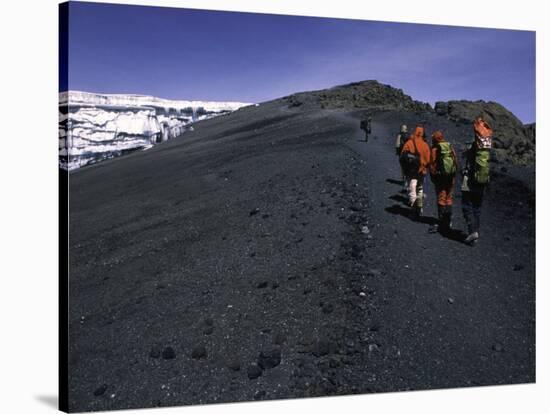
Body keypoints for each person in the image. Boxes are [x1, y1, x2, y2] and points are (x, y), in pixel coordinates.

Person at [461, 117, 492, 245]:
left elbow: (467, 158)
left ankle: (472, 231)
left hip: (469, 181)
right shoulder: (486, 147)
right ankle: (476, 234)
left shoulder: (474, 146)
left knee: (466, 205)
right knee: (477, 208)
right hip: (482, 181)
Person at [429, 130, 458, 234]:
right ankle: (448, 221)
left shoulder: (435, 150)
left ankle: (442, 221)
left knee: (441, 197)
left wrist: (434, 177)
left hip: (441, 178)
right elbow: (455, 161)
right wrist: (453, 174)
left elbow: (432, 165)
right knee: (449, 198)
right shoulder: (449, 147)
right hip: (451, 177)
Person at [400, 125, 431, 217]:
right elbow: (428, 159)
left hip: (411, 170)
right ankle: (420, 207)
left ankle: (413, 209)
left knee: (412, 187)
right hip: (422, 170)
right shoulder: (425, 145)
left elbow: (403, 156)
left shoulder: (409, 143)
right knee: (420, 188)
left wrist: (404, 168)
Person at [395, 125, 409, 192]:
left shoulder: (400, 135)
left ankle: (404, 180)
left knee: (402, 167)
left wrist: (397, 152)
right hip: (409, 154)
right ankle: (407, 181)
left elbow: (397, 145)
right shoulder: (409, 135)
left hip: (402, 154)